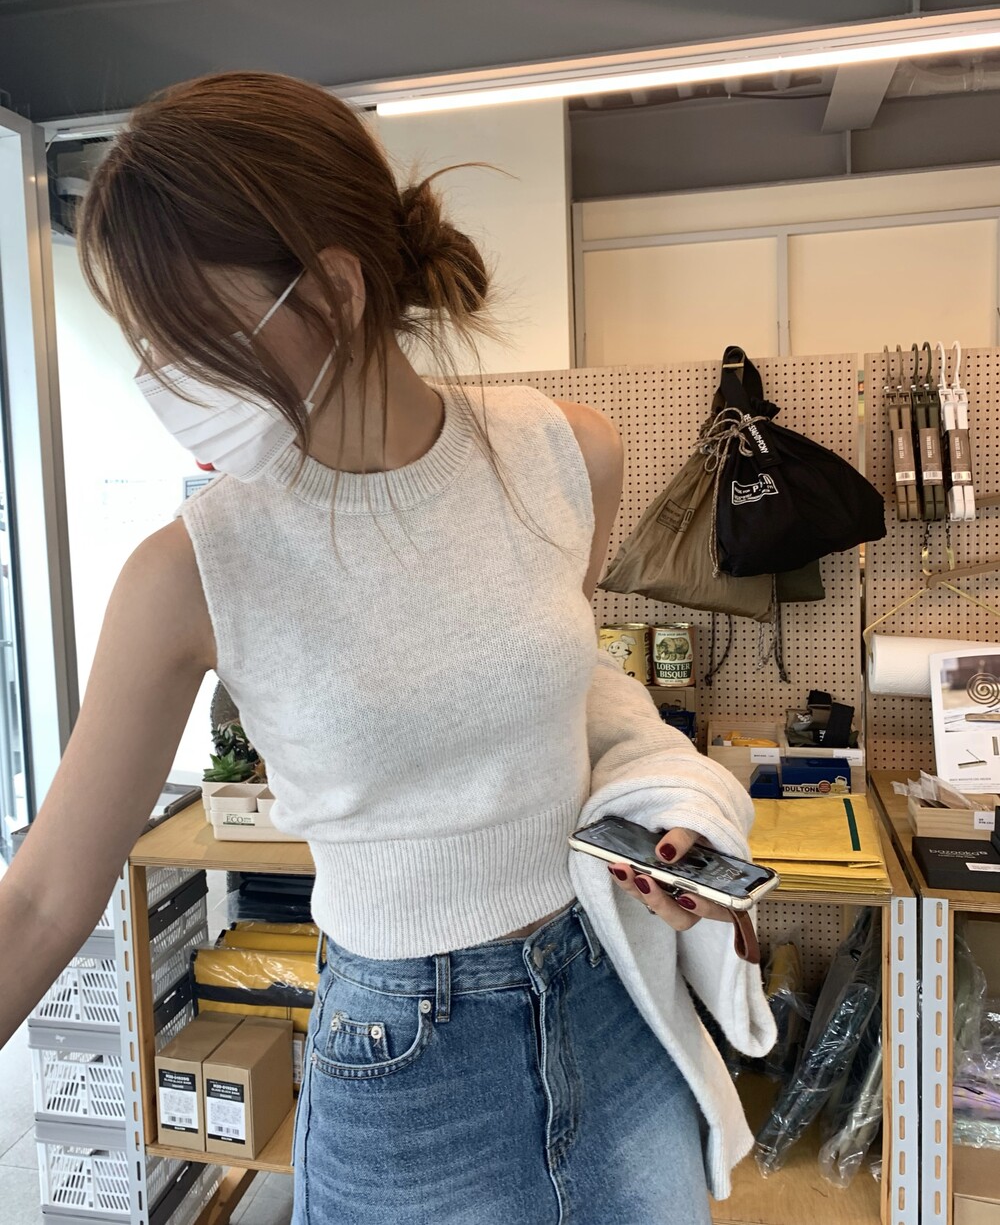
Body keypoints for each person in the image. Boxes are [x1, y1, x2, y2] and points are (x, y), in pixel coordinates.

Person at [0, 71, 775, 1224]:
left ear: (333, 289)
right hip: (400, 1061)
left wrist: (678, 812)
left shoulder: (564, 455)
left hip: (608, 995)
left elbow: (567, 683)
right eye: (143, 336)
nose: (159, 370)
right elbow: (42, 900)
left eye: (183, 328)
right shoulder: (190, 571)